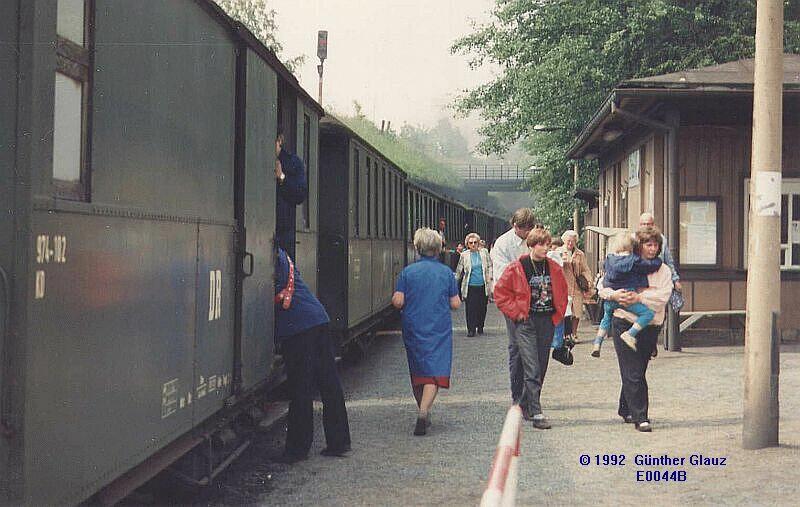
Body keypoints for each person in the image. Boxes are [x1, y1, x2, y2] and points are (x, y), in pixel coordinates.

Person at [274, 248, 350, 462]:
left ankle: (297, 450)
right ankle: (339, 442)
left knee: (300, 388)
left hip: (298, 327)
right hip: (318, 318)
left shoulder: (271, 257)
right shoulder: (284, 256)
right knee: (329, 384)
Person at [598, 226, 673, 432]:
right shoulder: (625, 263)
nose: (652, 248)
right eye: (648, 244)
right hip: (624, 321)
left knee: (638, 368)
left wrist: (640, 296)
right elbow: (602, 286)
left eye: (656, 245)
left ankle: (626, 408)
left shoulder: (663, 270)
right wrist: (613, 296)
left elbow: (663, 297)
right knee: (633, 371)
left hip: (651, 325)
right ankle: (641, 417)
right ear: (639, 246)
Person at [494, 228, 568, 429]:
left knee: (541, 365)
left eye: (547, 244)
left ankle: (524, 405)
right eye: (541, 244)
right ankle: (536, 412)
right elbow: (500, 294)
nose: (545, 248)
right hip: (526, 321)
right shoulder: (517, 267)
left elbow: (562, 290)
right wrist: (517, 313)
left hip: (546, 321)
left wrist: (559, 315)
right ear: (531, 245)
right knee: (531, 365)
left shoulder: (553, 267)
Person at [392, 228, 461, 436]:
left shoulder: (407, 272)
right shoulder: (446, 273)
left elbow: (398, 301)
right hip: (438, 327)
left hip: (413, 326)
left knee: (418, 371)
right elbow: (456, 304)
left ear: (417, 247)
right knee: (434, 372)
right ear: (439, 248)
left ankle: (422, 409)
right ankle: (423, 412)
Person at [490, 208, 539, 402]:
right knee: (517, 347)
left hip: (534, 299)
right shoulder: (503, 243)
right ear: (514, 226)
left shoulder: (535, 239)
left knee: (535, 348)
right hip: (511, 300)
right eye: (523, 229)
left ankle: (531, 396)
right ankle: (517, 395)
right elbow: (503, 275)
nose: (527, 233)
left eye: (530, 228)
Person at [592, 233, 662, 356]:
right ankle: (630, 334)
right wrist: (658, 260)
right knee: (648, 314)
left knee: (606, 318)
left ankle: (597, 343)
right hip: (627, 296)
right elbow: (649, 266)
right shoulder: (634, 260)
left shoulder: (609, 259)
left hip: (610, 299)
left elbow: (604, 275)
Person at [556, 230, 594, 343]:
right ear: (564, 240)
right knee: (564, 312)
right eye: (568, 240)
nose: (570, 243)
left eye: (573, 241)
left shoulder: (580, 254)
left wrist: (589, 280)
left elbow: (585, 269)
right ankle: (564, 335)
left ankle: (574, 334)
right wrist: (561, 262)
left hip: (576, 287)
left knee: (576, 313)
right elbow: (553, 266)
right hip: (563, 287)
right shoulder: (558, 252)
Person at [275, 132, 308, 261]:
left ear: (280, 140)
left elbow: (300, 194)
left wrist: (282, 177)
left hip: (284, 234)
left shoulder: (293, 162)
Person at [454, 233, 493, 336]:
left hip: (483, 285)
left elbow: (489, 265)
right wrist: (454, 282)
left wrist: (490, 277)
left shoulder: (484, 253)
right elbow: (459, 270)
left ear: (478, 243)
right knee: (470, 308)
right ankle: (471, 329)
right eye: (471, 243)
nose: (473, 244)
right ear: (467, 244)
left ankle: (480, 326)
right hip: (470, 285)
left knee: (482, 307)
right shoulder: (464, 255)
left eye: (475, 242)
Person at [639, 212, 681, 291]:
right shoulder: (633, 238)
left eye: (648, 224)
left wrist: (675, 280)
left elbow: (669, 261)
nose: (646, 226)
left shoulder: (661, 239)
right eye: (643, 224)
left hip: (658, 278)